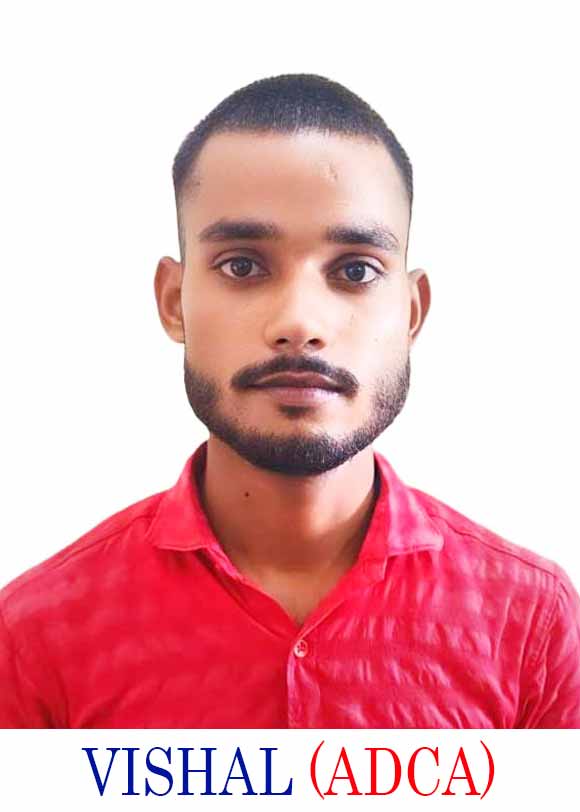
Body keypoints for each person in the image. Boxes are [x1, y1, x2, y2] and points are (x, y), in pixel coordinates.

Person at [1, 74, 579, 729]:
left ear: (412, 312)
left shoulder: (533, 624)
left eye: (355, 270)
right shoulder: (36, 634)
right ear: (173, 302)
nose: (299, 322)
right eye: (243, 266)